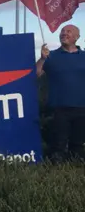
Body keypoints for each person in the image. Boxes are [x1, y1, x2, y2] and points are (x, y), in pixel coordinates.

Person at [36, 24, 85, 162]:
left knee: (78, 146)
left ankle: (74, 170)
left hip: (82, 108)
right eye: (62, 31)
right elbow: (36, 74)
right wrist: (42, 59)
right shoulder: (51, 56)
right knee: (58, 146)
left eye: (69, 31)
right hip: (59, 108)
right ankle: (55, 171)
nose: (64, 33)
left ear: (77, 37)